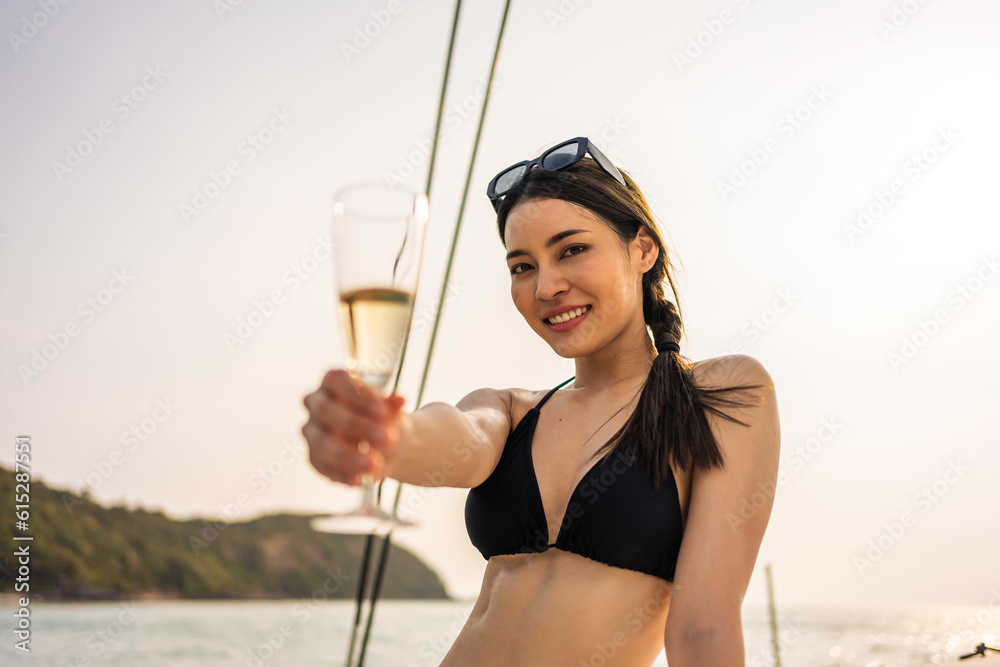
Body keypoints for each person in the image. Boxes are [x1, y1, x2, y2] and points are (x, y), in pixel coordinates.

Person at [302, 136, 781, 666]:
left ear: (642, 249)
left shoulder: (722, 394)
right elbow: (453, 436)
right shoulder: (511, 410)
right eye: (521, 266)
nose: (546, 286)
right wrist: (385, 438)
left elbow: (703, 633)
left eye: (571, 249)